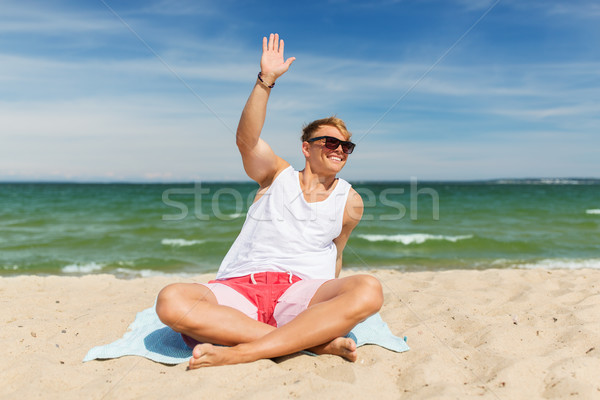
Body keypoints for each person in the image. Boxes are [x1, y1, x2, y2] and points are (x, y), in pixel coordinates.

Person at [156, 33, 383, 369]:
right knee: (171, 300)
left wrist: (333, 303)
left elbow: (337, 254)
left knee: (369, 289)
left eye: (346, 146)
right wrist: (266, 82)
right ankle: (310, 344)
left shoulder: (350, 201)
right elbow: (247, 142)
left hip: (301, 293)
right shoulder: (276, 174)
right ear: (306, 147)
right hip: (239, 287)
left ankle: (244, 351)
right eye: (329, 142)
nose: (339, 150)